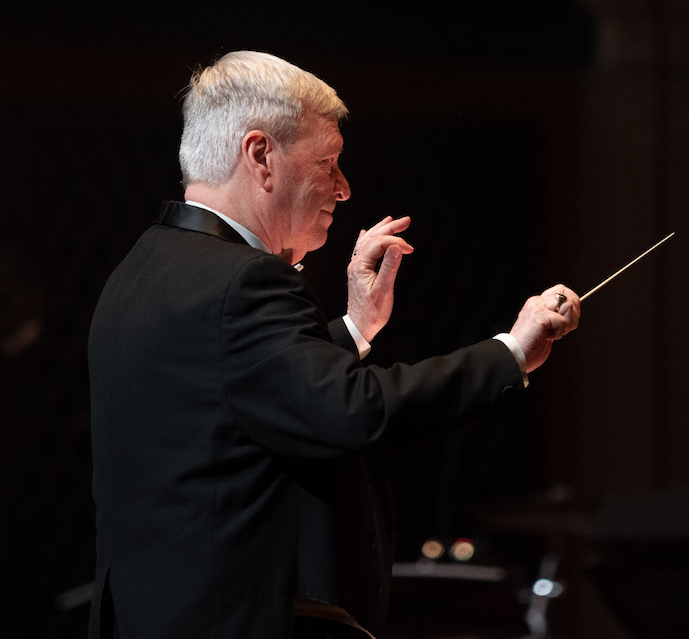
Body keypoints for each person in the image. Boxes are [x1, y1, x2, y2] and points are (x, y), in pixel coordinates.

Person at [87, 50, 580, 639]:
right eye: (328, 163)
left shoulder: (143, 268)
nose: (344, 190)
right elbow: (353, 411)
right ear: (260, 155)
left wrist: (355, 327)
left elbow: (254, 394)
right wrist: (511, 350)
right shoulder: (243, 278)